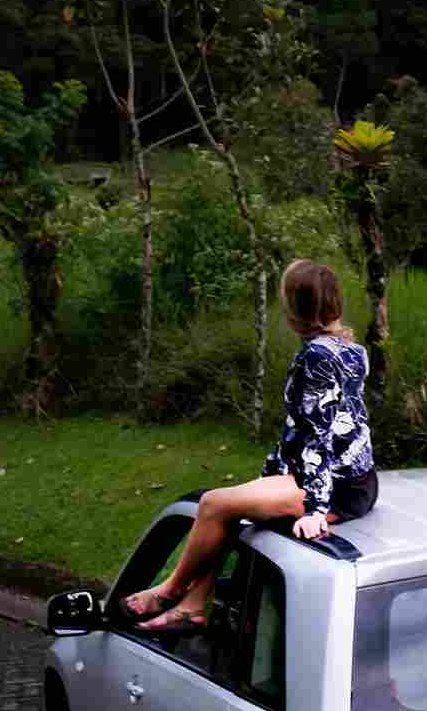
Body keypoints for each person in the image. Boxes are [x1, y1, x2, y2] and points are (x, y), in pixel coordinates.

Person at [124, 258, 378, 632]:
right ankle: (194, 604)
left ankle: (172, 588)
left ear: (295, 310)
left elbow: (321, 434)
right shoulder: (351, 349)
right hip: (353, 477)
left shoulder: (317, 357)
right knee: (230, 510)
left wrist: (316, 510)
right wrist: (273, 474)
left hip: (333, 487)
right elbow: (324, 426)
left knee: (212, 504)